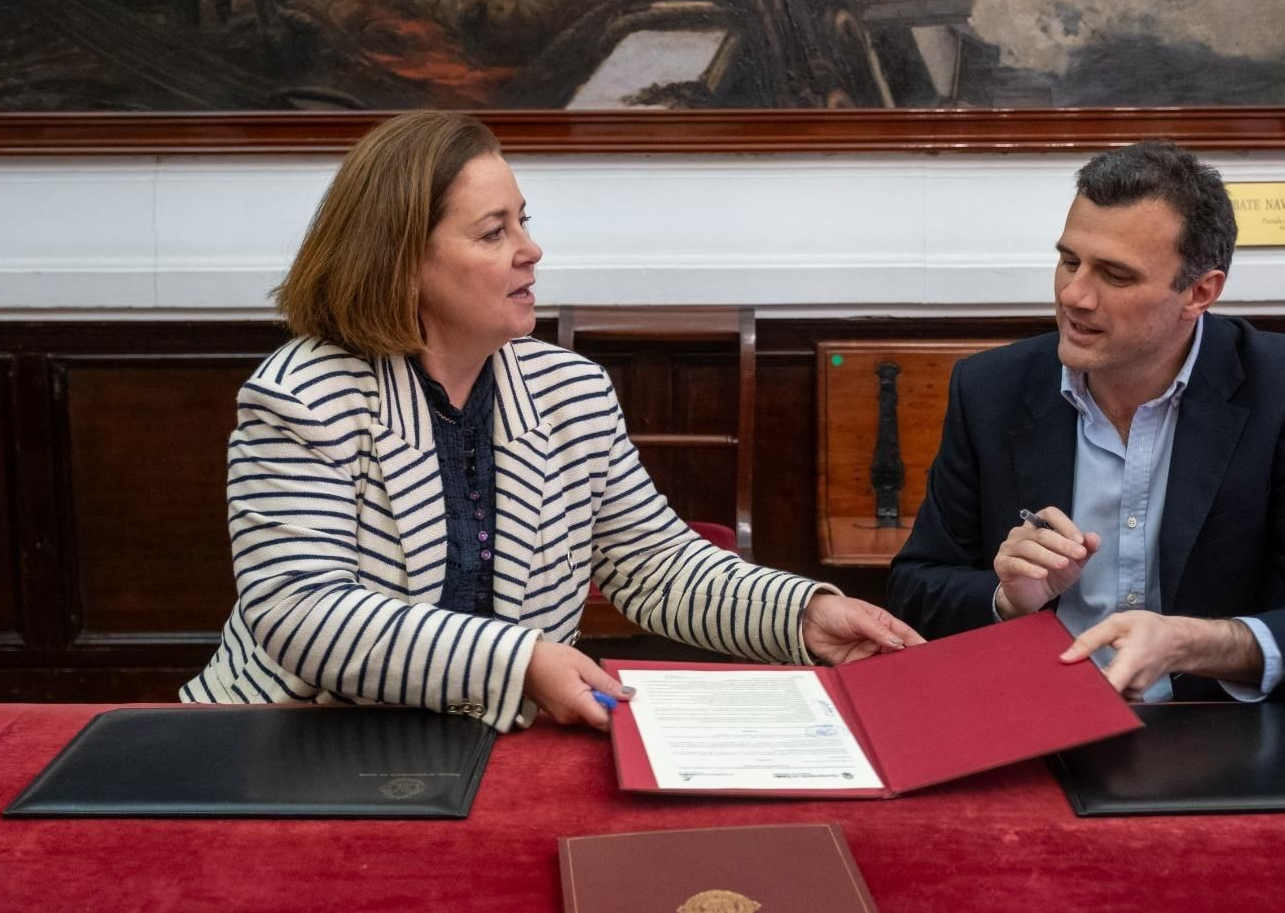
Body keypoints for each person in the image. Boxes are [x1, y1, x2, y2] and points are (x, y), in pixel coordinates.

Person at [182, 110, 921, 731]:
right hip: (298, 741)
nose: (532, 251)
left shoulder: (570, 389)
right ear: (402, 262)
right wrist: (520, 662)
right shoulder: (302, 395)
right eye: (493, 232)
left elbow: (656, 567)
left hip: (489, 749)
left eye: (523, 223)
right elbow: (305, 614)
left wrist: (802, 615)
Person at [887, 140, 1285, 702]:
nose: (1074, 296)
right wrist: (1006, 599)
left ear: (1199, 292)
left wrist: (1192, 642)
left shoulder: (1278, 386)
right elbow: (915, 592)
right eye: (1068, 261)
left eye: (1115, 275)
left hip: (1214, 737)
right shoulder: (992, 388)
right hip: (1036, 716)